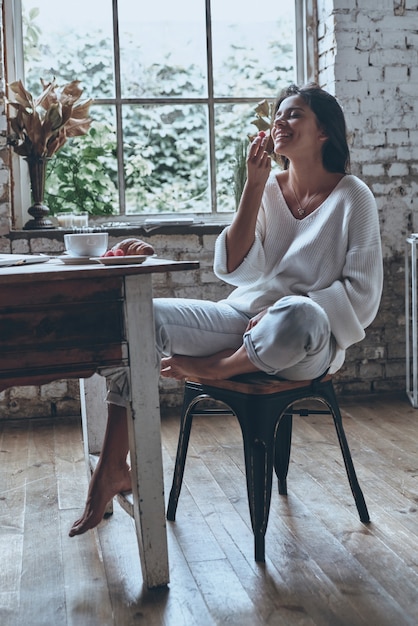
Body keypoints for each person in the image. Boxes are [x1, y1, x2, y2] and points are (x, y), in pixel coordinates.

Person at [69, 82, 383, 537]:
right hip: (243, 319)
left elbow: (363, 294)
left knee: (295, 313)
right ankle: (114, 466)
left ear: (325, 133)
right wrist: (253, 187)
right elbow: (235, 268)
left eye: (295, 115)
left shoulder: (354, 197)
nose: (281, 121)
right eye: (280, 114)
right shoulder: (269, 188)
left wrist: (290, 308)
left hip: (308, 341)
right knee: (140, 319)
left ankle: (216, 369)